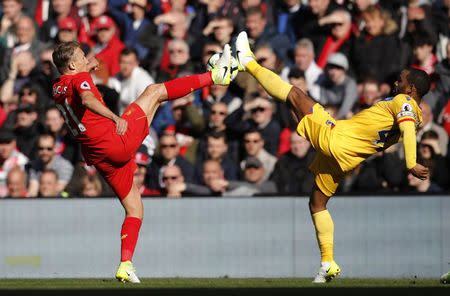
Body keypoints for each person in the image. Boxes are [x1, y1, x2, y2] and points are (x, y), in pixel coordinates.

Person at [234, 31, 431, 283]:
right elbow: (407, 127)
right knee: (317, 203)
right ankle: (327, 263)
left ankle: (247, 61)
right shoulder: (415, 115)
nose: (396, 83)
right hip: (347, 159)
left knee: (295, 94)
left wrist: (411, 162)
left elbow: (405, 129)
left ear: (411, 89)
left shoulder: (404, 102)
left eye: (401, 80)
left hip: (337, 139)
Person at [51, 41, 234, 283]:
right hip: (115, 142)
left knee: (135, 209)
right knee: (154, 91)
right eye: (82, 56)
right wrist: (115, 117)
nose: (87, 59)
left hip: (98, 156)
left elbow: (78, 87)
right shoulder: (79, 81)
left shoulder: (58, 87)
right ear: (73, 64)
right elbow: (87, 99)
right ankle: (216, 77)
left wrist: (90, 65)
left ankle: (125, 264)